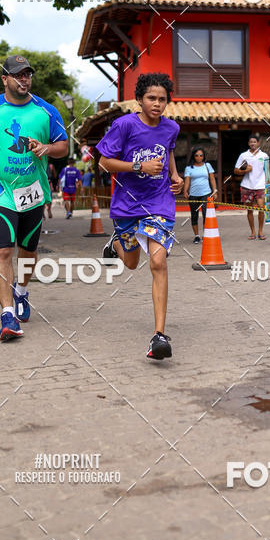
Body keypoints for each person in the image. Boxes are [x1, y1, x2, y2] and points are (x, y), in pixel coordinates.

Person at [0, 55, 68, 341]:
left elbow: (63, 146)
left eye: (27, 75)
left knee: (28, 250)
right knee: (2, 251)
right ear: (5, 79)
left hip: (32, 192)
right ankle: (7, 315)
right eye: (18, 75)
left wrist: (47, 148)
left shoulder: (46, 111)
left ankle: (21, 291)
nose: (24, 79)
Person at [98, 72, 182, 360]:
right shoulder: (124, 125)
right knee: (132, 263)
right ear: (139, 100)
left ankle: (159, 336)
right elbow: (104, 162)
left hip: (159, 203)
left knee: (158, 262)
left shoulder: (171, 128)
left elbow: (169, 152)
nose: (157, 104)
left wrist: (174, 175)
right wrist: (139, 167)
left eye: (162, 99)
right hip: (127, 206)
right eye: (151, 98)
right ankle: (116, 245)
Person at [234, 133, 268, 240]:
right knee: (249, 210)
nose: (253, 143)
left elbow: (268, 171)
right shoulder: (244, 155)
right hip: (247, 186)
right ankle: (253, 232)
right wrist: (245, 170)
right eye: (251, 142)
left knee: (261, 208)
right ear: (248, 143)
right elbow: (236, 170)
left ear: (258, 143)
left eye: (255, 142)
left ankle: (260, 231)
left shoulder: (264, 156)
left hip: (260, 185)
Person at [183, 148, 216, 243]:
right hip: (193, 195)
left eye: (201, 155)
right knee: (194, 215)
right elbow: (187, 181)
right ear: (193, 156)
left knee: (206, 214)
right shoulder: (189, 168)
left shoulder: (207, 165)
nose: (199, 157)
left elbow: (212, 179)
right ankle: (197, 236)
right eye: (197, 155)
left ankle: (206, 234)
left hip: (206, 193)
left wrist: (215, 191)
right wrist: (185, 191)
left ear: (203, 156)